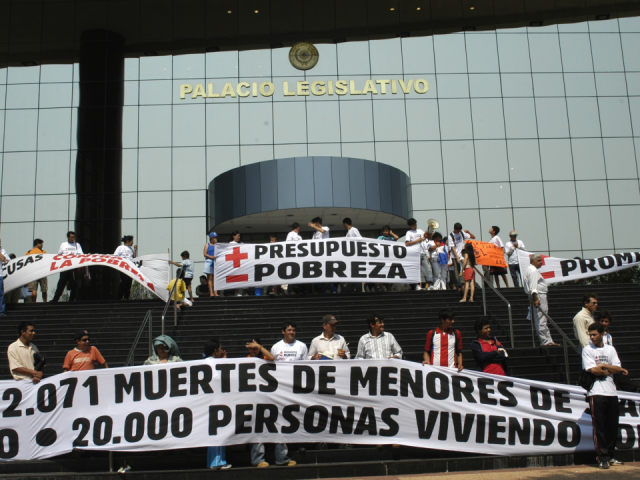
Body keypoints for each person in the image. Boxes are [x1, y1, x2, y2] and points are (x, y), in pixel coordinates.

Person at [583, 323, 628, 469]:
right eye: (590, 335)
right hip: (596, 391)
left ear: (602, 334)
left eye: (595, 334)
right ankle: (602, 456)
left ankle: (610, 455)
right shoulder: (587, 349)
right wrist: (610, 369)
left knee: (612, 425)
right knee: (599, 426)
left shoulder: (610, 349)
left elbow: (618, 368)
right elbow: (594, 370)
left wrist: (605, 367)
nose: (592, 337)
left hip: (611, 391)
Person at [264, 323, 301, 467]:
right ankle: (281, 454)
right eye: (289, 330)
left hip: (297, 388)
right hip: (280, 389)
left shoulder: (302, 346)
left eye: (293, 330)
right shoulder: (276, 347)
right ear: (283, 332)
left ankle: (298, 444)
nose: (292, 332)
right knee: (281, 419)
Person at [203, 338, 232, 470]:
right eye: (220, 349)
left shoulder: (204, 362)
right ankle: (217, 462)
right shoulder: (216, 364)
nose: (222, 351)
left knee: (212, 433)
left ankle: (212, 461)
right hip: (217, 402)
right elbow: (222, 378)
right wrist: (225, 362)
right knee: (218, 432)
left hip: (207, 402)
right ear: (215, 351)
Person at [522, 254, 559, 347]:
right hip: (539, 295)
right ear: (532, 261)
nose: (540, 263)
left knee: (543, 319)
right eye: (538, 261)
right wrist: (536, 298)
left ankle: (548, 340)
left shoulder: (529, 270)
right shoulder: (533, 270)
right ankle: (545, 341)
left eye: (541, 261)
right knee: (541, 319)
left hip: (539, 295)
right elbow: (533, 286)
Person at [50, 231, 85, 303]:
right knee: (61, 283)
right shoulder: (63, 245)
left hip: (74, 267)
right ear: (68, 237)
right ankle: (56, 299)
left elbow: (81, 254)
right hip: (65, 267)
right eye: (71, 237)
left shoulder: (77, 245)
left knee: (74, 283)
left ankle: (72, 299)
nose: (73, 239)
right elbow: (59, 254)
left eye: (74, 237)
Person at [405, 218, 432, 291]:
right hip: (414, 253)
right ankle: (416, 285)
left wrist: (430, 233)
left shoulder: (420, 231)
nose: (415, 226)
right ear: (410, 226)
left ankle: (429, 284)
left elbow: (427, 237)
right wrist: (418, 240)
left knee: (427, 269)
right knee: (415, 270)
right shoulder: (409, 232)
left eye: (415, 224)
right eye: (413, 225)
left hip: (422, 252)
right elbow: (407, 243)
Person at [447, 223, 476, 290]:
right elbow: (452, 247)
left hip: (463, 255)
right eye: (457, 230)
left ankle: (464, 285)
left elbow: (473, 237)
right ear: (454, 229)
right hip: (455, 256)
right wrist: (457, 257)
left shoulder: (462, 233)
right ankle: (459, 285)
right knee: (457, 272)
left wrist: (468, 232)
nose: (458, 232)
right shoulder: (451, 236)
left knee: (463, 270)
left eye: (460, 230)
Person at [114, 235, 137, 300]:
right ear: (128, 241)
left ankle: (126, 296)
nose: (132, 242)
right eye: (132, 241)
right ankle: (119, 296)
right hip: (123, 267)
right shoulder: (120, 247)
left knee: (129, 281)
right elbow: (115, 256)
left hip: (130, 268)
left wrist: (135, 250)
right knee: (124, 280)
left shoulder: (131, 249)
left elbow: (133, 257)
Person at [230, 231, 247, 297]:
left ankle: (244, 292)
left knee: (244, 277)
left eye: (239, 236)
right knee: (235, 278)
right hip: (234, 263)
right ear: (233, 236)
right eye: (238, 236)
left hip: (242, 262)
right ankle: (237, 292)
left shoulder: (241, 243)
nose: (239, 237)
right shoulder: (230, 244)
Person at [203, 232, 218, 297]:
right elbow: (205, 254)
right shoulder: (207, 245)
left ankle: (215, 292)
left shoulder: (217, 245)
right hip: (209, 261)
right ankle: (211, 292)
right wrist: (211, 257)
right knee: (210, 277)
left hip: (216, 262)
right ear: (211, 238)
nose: (216, 239)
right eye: (215, 237)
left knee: (215, 278)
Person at [0, 238, 8, 315]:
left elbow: (4, 259)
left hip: (0, 275)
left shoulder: (2, 251)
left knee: (1, 294)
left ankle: (1, 311)